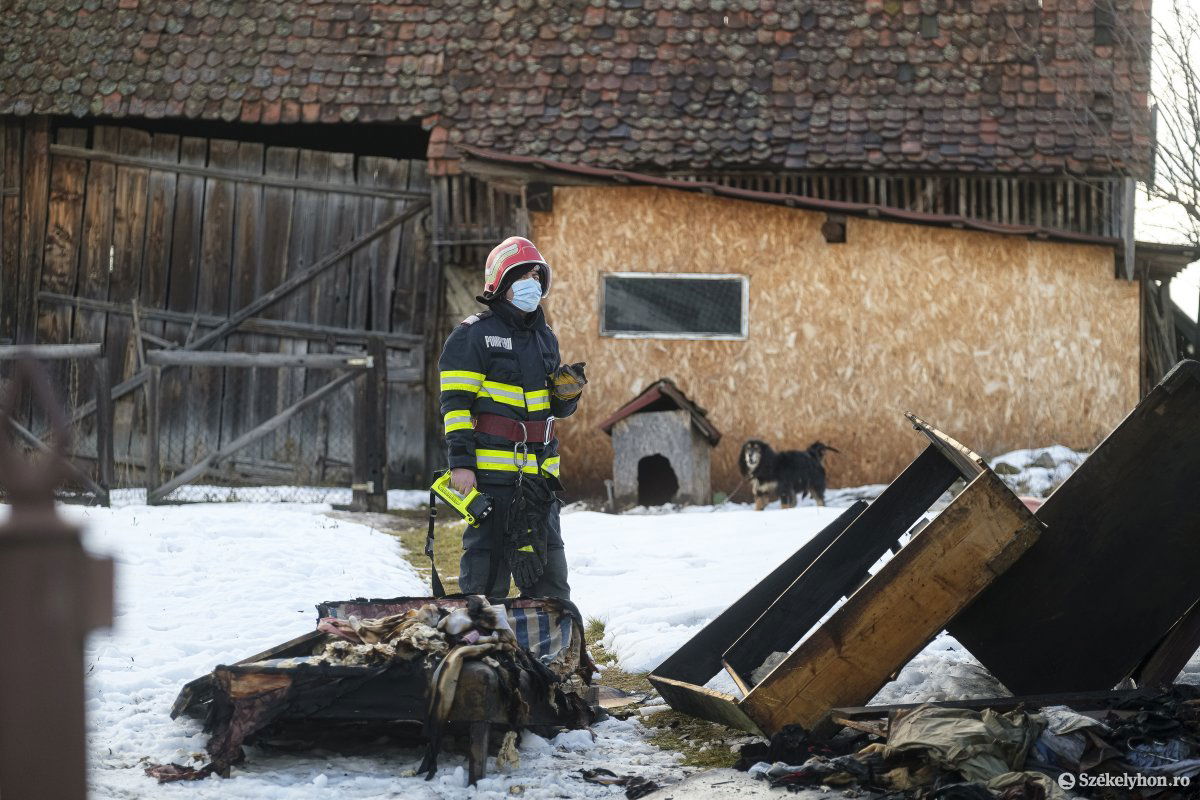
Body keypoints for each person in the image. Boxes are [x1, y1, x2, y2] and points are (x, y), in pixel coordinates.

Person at [438, 236, 586, 600]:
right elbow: (455, 407)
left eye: (538, 275)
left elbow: (549, 411)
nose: (532, 283)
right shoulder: (472, 335)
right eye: (523, 275)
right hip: (490, 481)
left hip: (539, 483)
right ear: (502, 283)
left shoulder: (545, 339)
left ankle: (550, 655)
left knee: (550, 585)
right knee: (486, 586)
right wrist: (461, 465)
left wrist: (566, 399)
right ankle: (484, 653)